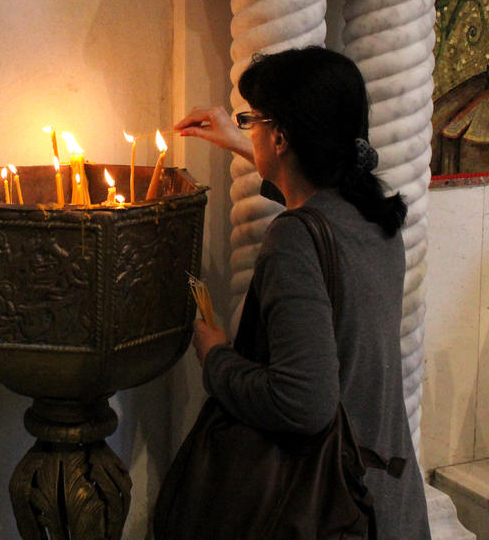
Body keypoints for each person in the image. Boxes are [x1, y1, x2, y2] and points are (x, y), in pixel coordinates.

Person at [172, 46, 429, 537]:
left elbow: (301, 402)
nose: (248, 128)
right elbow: (313, 192)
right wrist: (242, 143)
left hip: (334, 508)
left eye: (252, 120)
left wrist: (215, 356)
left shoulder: (295, 239)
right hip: (389, 497)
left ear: (282, 137)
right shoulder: (374, 214)